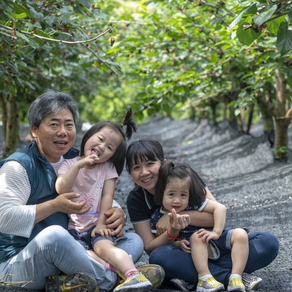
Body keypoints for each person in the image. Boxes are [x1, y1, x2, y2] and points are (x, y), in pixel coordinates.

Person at [0, 90, 164, 292]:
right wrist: (54, 206)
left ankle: (74, 282)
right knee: (54, 236)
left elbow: (95, 189)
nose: (63, 132)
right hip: (19, 262)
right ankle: (117, 279)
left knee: (133, 240)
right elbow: (4, 218)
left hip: (74, 248)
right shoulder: (19, 166)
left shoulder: (75, 158)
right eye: (54, 124)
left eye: (68, 125)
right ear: (34, 129)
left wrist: (115, 210)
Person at [125, 138, 279, 291]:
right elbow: (151, 248)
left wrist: (178, 216)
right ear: (130, 173)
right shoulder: (136, 199)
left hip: (212, 244)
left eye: (150, 164)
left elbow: (214, 215)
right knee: (159, 257)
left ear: (163, 163)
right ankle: (232, 277)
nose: (144, 172)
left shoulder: (185, 177)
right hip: (183, 251)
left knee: (267, 242)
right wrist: (172, 231)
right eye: (136, 167)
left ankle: (192, 277)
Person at [55, 111, 152, 292]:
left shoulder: (106, 168)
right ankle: (114, 272)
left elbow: (107, 196)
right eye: (99, 139)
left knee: (104, 247)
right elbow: (61, 188)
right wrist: (78, 165)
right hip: (74, 231)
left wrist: (100, 224)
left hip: (96, 227)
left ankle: (132, 274)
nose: (101, 147)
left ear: (112, 156)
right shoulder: (69, 164)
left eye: (109, 148)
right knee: (77, 254)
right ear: (88, 135)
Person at [151, 161, 249, 292]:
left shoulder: (194, 205)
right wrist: (176, 244)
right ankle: (205, 278)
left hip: (212, 242)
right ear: (160, 193)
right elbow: (163, 244)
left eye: (183, 195)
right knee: (196, 238)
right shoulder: (158, 218)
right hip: (190, 254)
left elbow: (220, 208)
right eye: (171, 194)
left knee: (241, 234)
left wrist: (216, 232)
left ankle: (235, 278)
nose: (177, 200)